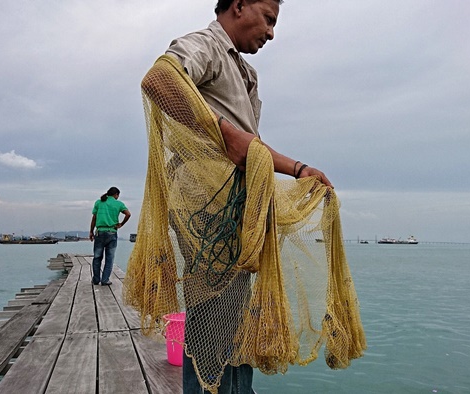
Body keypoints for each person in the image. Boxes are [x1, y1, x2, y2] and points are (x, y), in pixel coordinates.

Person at [160, 1, 332, 392]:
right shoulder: (206, 45)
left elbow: (249, 147)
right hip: (207, 209)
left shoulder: (244, 71)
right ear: (238, 6)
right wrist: (227, 135)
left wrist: (299, 170)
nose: (271, 32)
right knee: (214, 326)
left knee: (235, 320)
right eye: (269, 18)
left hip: (234, 211)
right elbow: (161, 82)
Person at [89, 186, 131, 286]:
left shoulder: (99, 202)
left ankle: (95, 279)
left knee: (97, 257)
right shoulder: (118, 204)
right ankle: (105, 280)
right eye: (117, 196)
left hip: (100, 232)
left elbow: (94, 218)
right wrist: (121, 224)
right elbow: (128, 214)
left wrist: (91, 231)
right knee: (109, 258)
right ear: (116, 194)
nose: (117, 198)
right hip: (112, 233)